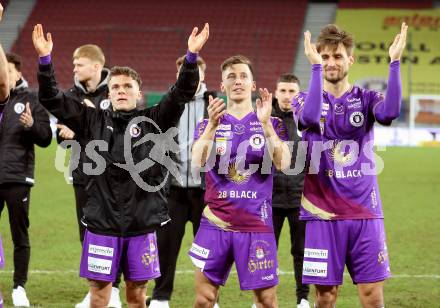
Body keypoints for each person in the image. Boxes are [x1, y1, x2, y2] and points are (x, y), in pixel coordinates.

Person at [32, 22, 209, 308]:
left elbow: (181, 94)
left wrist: (191, 57)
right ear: (109, 93)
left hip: (141, 225)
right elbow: (52, 98)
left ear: (139, 93)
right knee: (100, 297)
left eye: (128, 86)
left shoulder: (155, 119)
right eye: (115, 86)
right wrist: (44, 60)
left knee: (137, 297)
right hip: (102, 224)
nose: (121, 90)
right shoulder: (91, 121)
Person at [292, 23, 407, 307]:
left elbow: (390, 112)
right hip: (322, 216)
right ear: (318, 59)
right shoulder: (303, 98)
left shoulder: (366, 99)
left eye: (338, 56)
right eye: (325, 57)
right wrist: (315, 70)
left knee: (372, 296)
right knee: (325, 297)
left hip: (365, 214)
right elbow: (308, 118)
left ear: (350, 60)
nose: (331, 62)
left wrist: (394, 62)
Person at [190, 55, 291, 308]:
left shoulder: (273, 123)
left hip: (256, 224)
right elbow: (197, 161)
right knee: (204, 300)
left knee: (267, 300)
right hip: (215, 224)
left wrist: (266, 126)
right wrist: (212, 127)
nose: (238, 81)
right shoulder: (207, 124)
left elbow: (284, 163)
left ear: (253, 85)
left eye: (243, 76)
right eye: (231, 77)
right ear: (222, 86)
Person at [149, 55, 216, 308]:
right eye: (184, 74)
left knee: (209, 250)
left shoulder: (216, 103)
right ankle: (160, 296)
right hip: (172, 190)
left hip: (205, 191)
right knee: (165, 247)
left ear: (203, 75)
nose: (188, 78)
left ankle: (211, 297)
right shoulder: (166, 104)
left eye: (194, 72)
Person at [0, 41, 52, 308]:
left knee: (19, 234)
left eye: (6, 71)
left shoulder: (31, 100)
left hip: (17, 178)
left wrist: (32, 125)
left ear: (17, 74)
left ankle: (19, 286)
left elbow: (45, 138)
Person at [271, 73, 309, 308]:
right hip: (270, 200)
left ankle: (303, 298)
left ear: (298, 94)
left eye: (291, 91)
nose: (286, 96)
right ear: (276, 93)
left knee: (301, 252)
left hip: (300, 198)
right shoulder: (264, 119)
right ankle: (263, 298)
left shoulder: (307, 121)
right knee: (266, 252)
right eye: (283, 91)